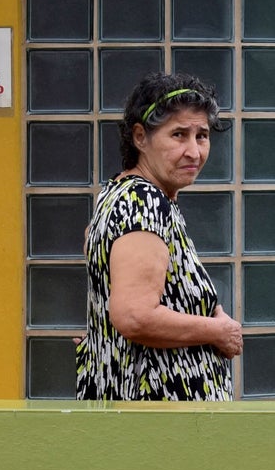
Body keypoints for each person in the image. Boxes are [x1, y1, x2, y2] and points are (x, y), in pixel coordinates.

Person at [76, 71, 242, 401]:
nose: (194, 152)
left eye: (202, 136)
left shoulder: (118, 194)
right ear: (140, 137)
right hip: (159, 425)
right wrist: (219, 330)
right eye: (178, 135)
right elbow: (134, 315)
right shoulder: (144, 202)